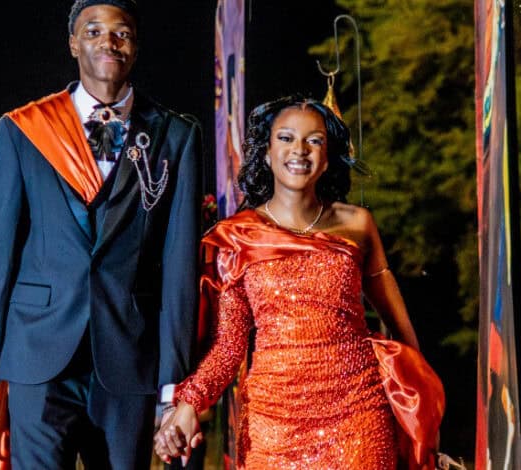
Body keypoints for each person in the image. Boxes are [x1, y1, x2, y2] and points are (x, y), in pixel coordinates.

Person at [0, 1, 202, 468]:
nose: (108, 42)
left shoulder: (176, 136)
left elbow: (179, 269)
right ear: (73, 43)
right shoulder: (23, 130)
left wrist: (175, 390)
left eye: (121, 33)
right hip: (37, 358)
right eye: (93, 31)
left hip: (129, 359)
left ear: (135, 45)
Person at [154, 96, 425, 468]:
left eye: (313, 140)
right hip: (273, 425)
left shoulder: (358, 224)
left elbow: (401, 329)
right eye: (285, 138)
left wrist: (419, 398)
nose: (299, 149)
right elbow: (230, 346)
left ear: (327, 157)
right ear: (266, 153)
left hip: (358, 413)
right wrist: (189, 404)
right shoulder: (239, 237)